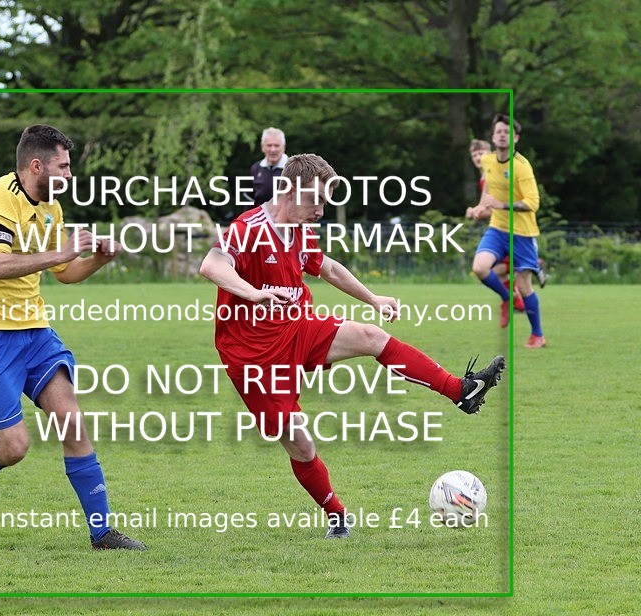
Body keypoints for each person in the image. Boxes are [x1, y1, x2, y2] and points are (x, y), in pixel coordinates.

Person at [200, 153, 505, 539]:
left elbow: (326, 267)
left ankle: (460, 391)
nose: (321, 211)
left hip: (297, 327)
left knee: (371, 336)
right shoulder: (250, 227)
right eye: (317, 201)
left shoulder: (298, 227)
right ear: (291, 190)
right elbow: (212, 265)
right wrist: (254, 293)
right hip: (254, 357)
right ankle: (336, 514)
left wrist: (373, 298)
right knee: (301, 446)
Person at [0, 124, 146, 550]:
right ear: (36, 165)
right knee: (15, 447)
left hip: (34, 331)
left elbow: (64, 272)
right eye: (64, 166)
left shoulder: (50, 206)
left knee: (71, 419)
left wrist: (97, 261)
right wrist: (64, 251)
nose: (70, 175)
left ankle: (102, 532)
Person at [469, 115, 546, 347]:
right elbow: (489, 192)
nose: (502, 134)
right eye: (499, 131)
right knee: (479, 268)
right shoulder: (488, 161)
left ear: (515, 138)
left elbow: (533, 203)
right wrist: (480, 209)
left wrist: (501, 205)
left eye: (507, 132)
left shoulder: (521, 167)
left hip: (522, 234)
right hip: (497, 229)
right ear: (493, 137)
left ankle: (537, 335)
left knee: (525, 286)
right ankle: (507, 297)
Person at [465, 139, 524, 319]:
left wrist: (475, 213)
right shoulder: (485, 177)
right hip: (502, 229)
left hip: (511, 230)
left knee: (491, 270)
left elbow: (493, 208)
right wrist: (476, 210)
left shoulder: (493, 174)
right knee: (496, 271)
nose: (477, 157)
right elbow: (486, 206)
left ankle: (514, 298)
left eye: (480, 153)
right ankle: (516, 302)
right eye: (474, 154)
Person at [250, 127, 288, 207]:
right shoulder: (255, 169)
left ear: (283, 147)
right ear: (262, 147)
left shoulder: (295, 169)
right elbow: (249, 200)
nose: (273, 149)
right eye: (269, 145)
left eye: (277, 145)